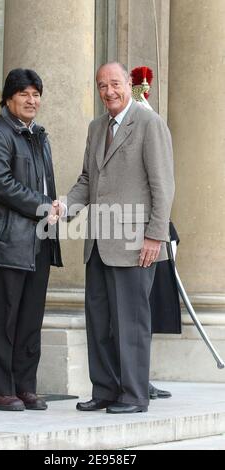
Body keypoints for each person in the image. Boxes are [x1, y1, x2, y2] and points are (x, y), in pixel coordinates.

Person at [55, 62, 175, 413]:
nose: (108, 91)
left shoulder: (149, 123)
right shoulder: (96, 127)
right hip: (98, 243)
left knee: (131, 324)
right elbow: (86, 181)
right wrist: (64, 206)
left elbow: (163, 187)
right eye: (101, 86)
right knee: (100, 323)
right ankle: (105, 389)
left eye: (114, 84)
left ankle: (135, 395)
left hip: (137, 246)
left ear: (128, 84)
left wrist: (155, 236)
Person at [0, 68, 62, 411]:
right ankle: (0, 389)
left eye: (36, 94)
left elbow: (44, 185)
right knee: (3, 320)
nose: (32, 100)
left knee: (29, 320)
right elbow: (0, 182)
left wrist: (55, 208)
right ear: (9, 98)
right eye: (24, 94)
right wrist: (43, 206)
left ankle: (25, 386)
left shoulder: (38, 135)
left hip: (38, 240)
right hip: (6, 242)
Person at [130, 66, 181, 400]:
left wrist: (161, 231)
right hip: (120, 232)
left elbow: (161, 184)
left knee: (142, 312)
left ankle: (139, 379)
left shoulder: (153, 125)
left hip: (150, 233)